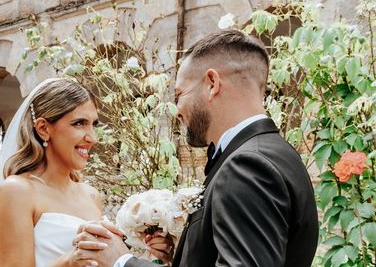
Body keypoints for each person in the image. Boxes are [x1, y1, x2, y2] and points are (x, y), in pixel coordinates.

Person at [74, 29, 319, 267]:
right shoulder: (279, 153)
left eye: (180, 94)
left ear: (212, 83)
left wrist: (123, 260)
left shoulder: (247, 166)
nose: (177, 110)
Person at [0, 77, 109, 267]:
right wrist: (69, 262)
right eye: (79, 123)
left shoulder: (92, 195)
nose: (92, 138)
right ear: (43, 128)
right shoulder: (18, 191)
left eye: (94, 124)